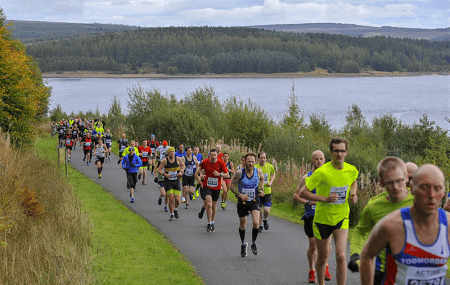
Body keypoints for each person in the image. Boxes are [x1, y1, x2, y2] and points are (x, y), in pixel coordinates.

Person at [360, 164, 449, 285]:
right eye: (424, 187)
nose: (432, 195)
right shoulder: (391, 225)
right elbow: (366, 256)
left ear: (444, 192)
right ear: (412, 188)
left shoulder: (448, 225)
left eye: (437, 188)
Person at [299, 137, 358, 285]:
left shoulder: (351, 170)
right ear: (331, 152)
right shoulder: (322, 171)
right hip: (322, 219)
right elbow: (302, 193)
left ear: (346, 152)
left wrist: (353, 194)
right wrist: (324, 199)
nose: (339, 154)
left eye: (342, 151)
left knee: (341, 256)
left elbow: (353, 182)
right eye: (336, 151)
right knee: (323, 258)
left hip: (342, 217)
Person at [348, 156, 414, 284]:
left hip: (412, 269)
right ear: (381, 182)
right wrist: (355, 254)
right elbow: (360, 231)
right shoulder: (374, 205)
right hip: (381, 270)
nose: (395, 187)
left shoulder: (418, 200)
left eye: (399, 181)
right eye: (390, 182)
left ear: (406, 177)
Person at [293, 150, 332, 283]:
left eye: (321, 158)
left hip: (327, 215)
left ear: (325, 160)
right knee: (313, 245)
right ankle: (311, 269)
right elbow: (296, 196)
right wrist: (309, 202)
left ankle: (325, 266)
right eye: (316, 159)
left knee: (327, 244)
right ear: (312, 160)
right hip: (311, 215)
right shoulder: (306, 177)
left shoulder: (330, 176)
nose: (319, 161)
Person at [229, 152, 265, 257]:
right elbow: (231, 186)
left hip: (254, 200)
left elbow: (262, 179)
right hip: (243, 201)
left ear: (255, 162)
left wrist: (261, 189)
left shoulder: (258, 171)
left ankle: (253, 243)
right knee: (243, 224)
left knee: (256, 222)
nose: (250, 163)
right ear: (245, 161)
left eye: (252, 161)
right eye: (248, 161)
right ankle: (243, 243)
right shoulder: (239, 173)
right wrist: (239, 195)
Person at [195, 148, 229, 233]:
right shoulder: (205, 161)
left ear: (217, 155)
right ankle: (209, 223)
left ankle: (212, 221)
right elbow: (198, 171)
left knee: (214, 206)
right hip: (207, 185)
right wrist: (201, 176)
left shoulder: (221, 163)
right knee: (209, 204)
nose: (213, 157)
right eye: (211, 155)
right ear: (209, 155)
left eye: (215, 155)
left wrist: (219, 174)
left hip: (216, 186)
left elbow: (227, 175)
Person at [158, 147, 185, 221]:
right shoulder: (165, 161)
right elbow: (159, 169)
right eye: (170, 152)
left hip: (176, 181)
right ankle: (171, 214)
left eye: (173, 151)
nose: (172, 153)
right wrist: (164, 174)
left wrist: (181, 172)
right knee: (171, 198)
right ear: (168, 153)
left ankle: (175, 209)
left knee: (178, 200)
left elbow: (183, 166)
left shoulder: (178, 159)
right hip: (168, 182)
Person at [255, 151, 276, 233]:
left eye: (264, 158)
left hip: (267, 191)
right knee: (259, 210)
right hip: (258, 192)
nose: (263, 159)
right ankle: (260, 226)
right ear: (258, 158)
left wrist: (270, 182)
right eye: (261, 158)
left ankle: (265, 219)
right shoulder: (255, 167)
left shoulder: (270, 166)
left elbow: (273, 174)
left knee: (266, 210)